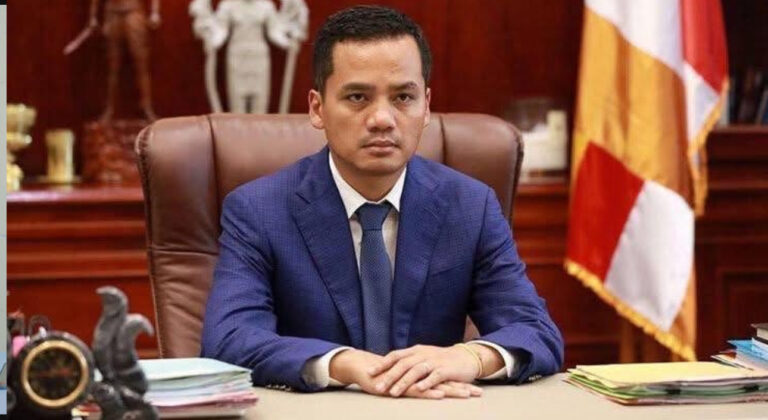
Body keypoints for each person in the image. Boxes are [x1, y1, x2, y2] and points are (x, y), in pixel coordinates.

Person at [201, 5, 563, 399]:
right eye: (358, 97)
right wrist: (341, 364)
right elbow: (228, 339)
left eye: (403, 97)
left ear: (426, 106)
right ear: (318, 108)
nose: (382, 119)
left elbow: (537, 333)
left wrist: (469, 358)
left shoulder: (470, 206)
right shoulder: (258, 209)